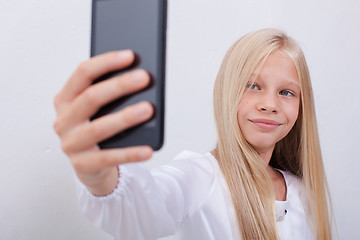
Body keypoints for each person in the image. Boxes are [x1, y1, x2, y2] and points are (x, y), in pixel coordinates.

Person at [53, 28, 333, 239]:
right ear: (226, 93)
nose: (270, 105)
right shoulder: (200, 176)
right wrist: (100, 176)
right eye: (253, 85)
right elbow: (140, 211)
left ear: (301, 105)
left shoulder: (301, 192)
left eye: (286, 92)